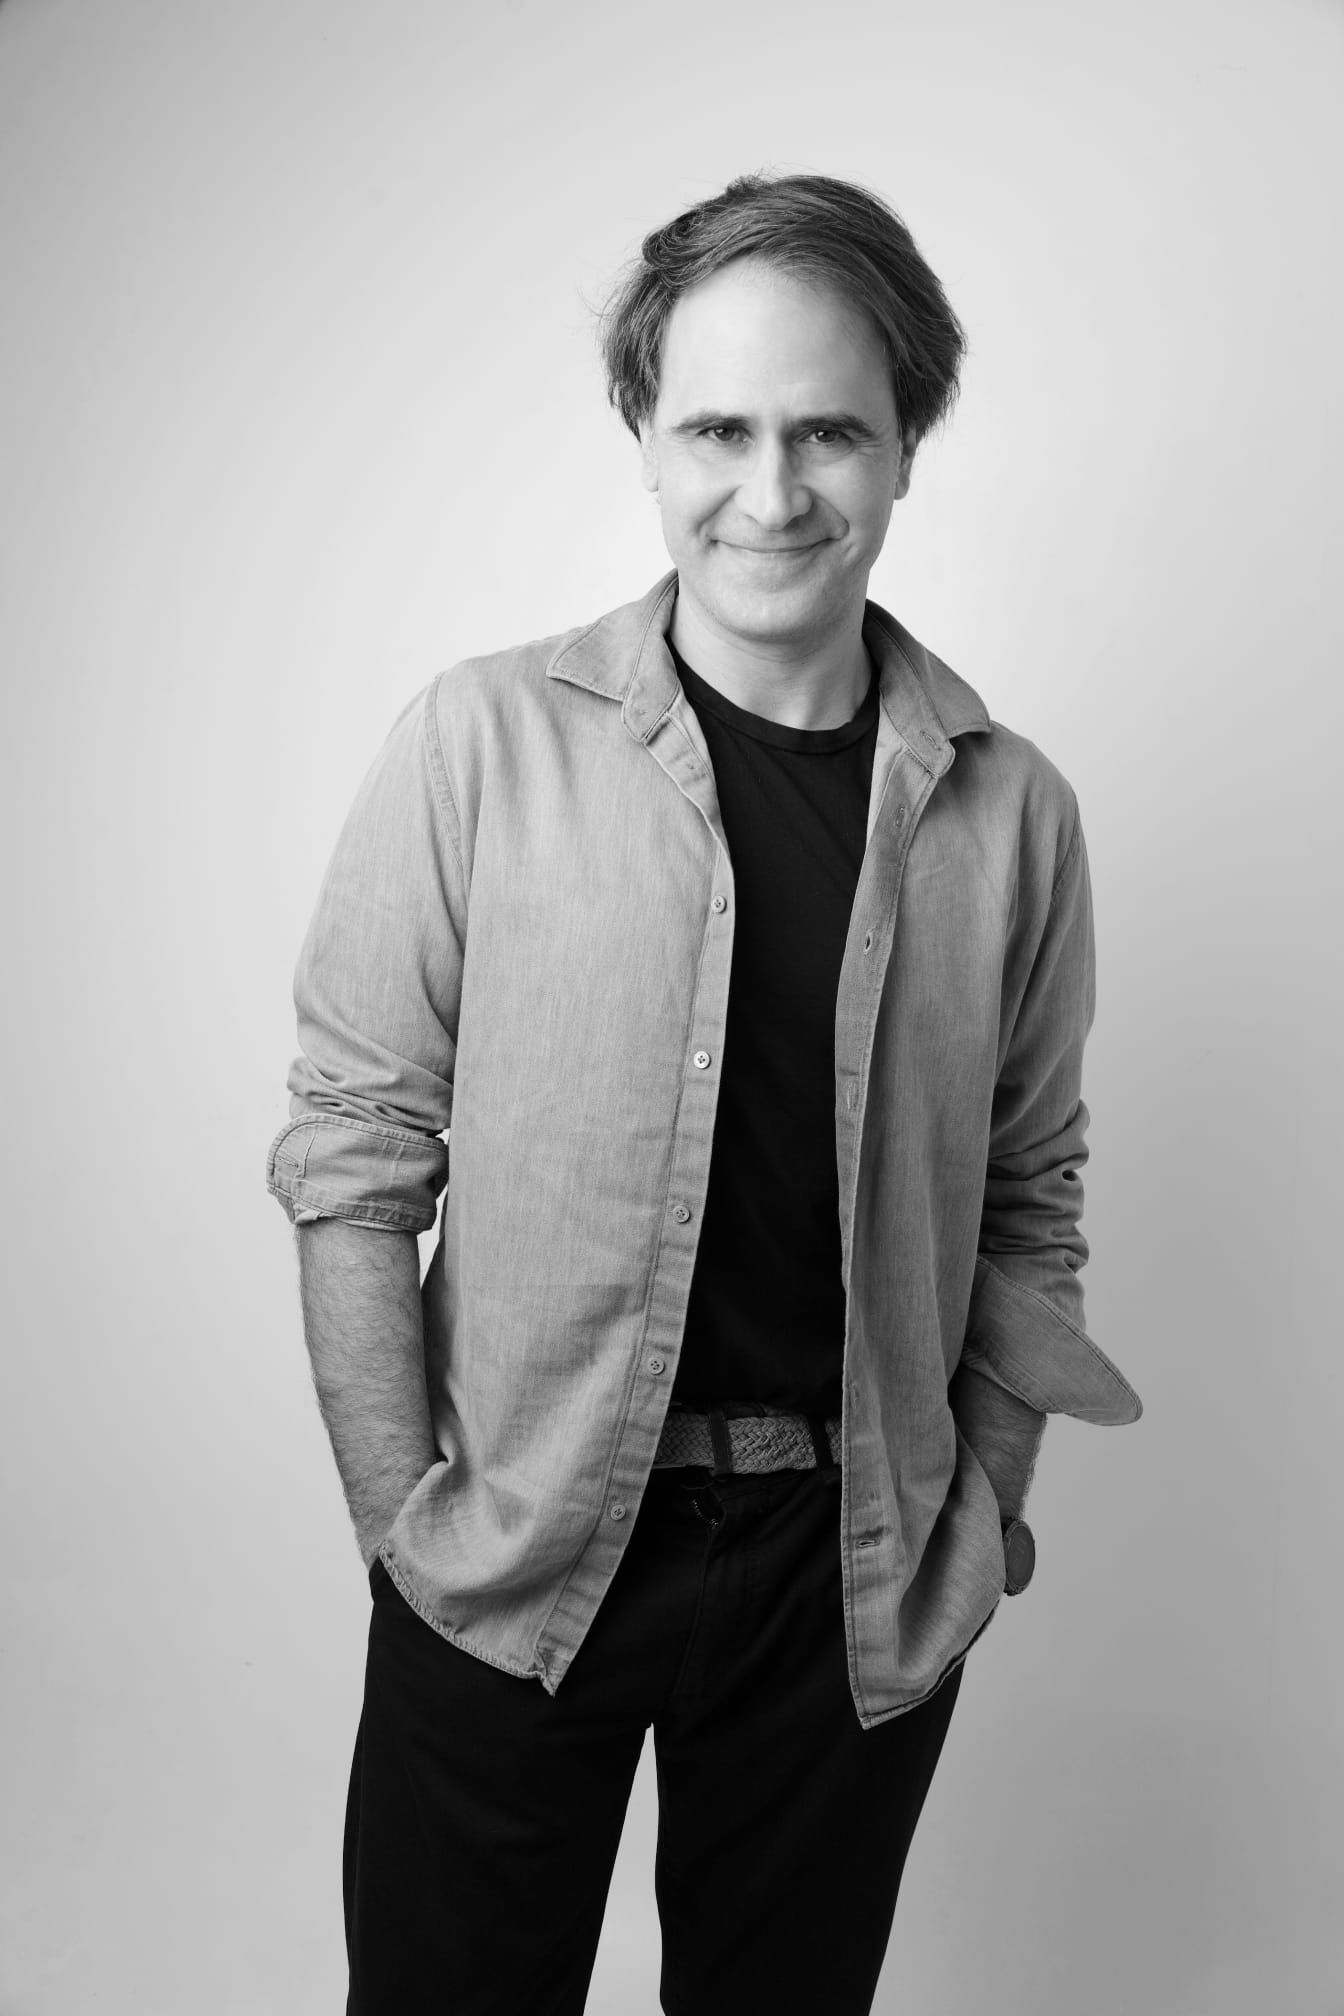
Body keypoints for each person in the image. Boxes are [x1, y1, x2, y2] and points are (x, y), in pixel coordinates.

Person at [266, 172, 1142, 2016]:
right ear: (646, 440)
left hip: (850, 1578)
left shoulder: (1015, 814)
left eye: (830, 431)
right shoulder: (478, 744)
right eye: (719, 431)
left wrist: (979, 1512)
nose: (773, 492)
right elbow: (355, 1155)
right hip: (515, 1551)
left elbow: (1032, 1193)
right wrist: (402, 1529)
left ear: (908, 446)